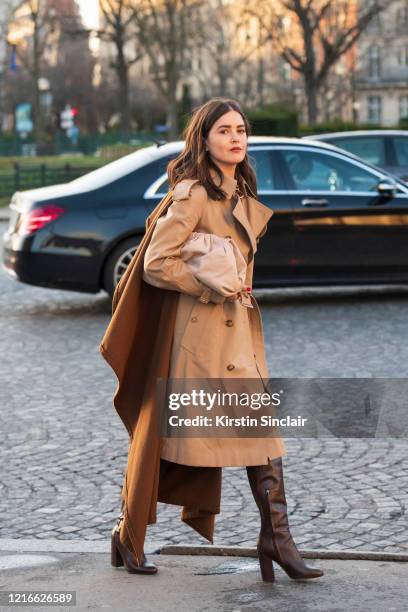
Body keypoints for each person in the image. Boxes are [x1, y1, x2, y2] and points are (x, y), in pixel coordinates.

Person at [102, 97, 323, 583]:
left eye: (241, 129)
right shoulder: (193, 194)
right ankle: (128, 532)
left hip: (237, 335)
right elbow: (158, 262)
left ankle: (276, 538)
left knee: (258, 435)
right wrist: (208, 282)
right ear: (204, 138)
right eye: (224, 130)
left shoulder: (238, 191)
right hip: (200, 343)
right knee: (162, 441)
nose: (236, 138)